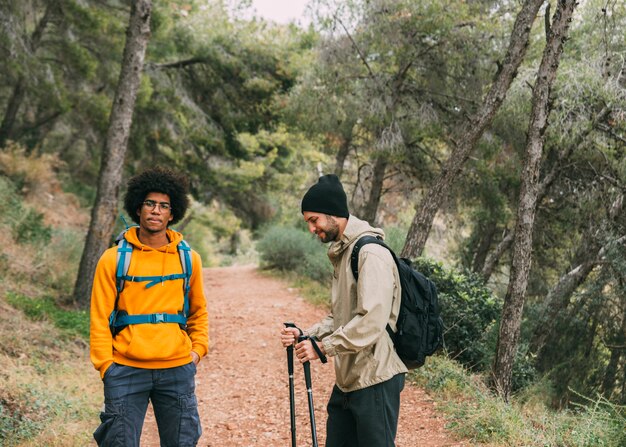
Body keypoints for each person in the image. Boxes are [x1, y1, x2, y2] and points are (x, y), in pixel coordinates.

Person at [280, 174, 407, 447]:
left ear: (333, 214)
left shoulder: (370, 253)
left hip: (375, 377)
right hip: (349, 379)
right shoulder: (344, 252)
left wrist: (323, 348)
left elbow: (371, 320)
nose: (311, 229)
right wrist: (307, 335)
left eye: (314, 220)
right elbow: (341, 316)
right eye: (308, 223)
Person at [90, 167, 209, 447]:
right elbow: (98, 318)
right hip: (125, 369)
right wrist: (106, 365)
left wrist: (197, 351)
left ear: (172, 212)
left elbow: (198, 312)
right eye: (150, 203)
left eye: (164, 205)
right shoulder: (112, 259)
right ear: (138, 207)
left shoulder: (189, 259)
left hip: (177, 368)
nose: (156, 210)